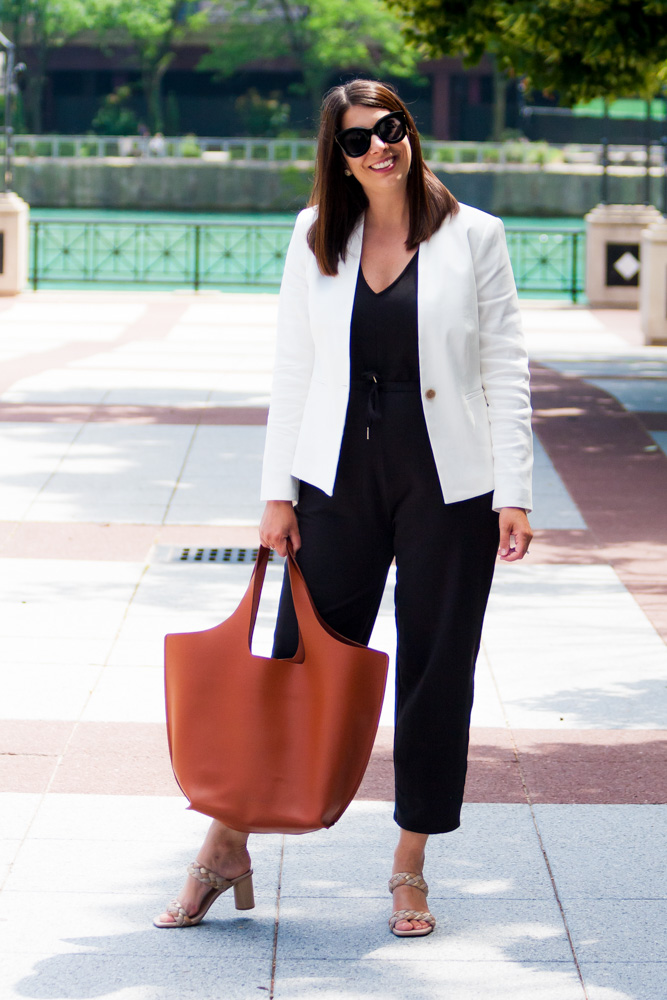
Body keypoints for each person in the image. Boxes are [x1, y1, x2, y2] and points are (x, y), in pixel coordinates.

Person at [154, 78, 533, 937]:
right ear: (338, 155)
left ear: (410, 132)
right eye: (357, 140)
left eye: (390, 129)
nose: (379, 148)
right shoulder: (314, 233)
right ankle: (226, 845)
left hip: (449, 481)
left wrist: (513, 492)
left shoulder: (475, 235)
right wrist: (275, 492)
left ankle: (408, 867)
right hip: (336, 476)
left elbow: (505, 366)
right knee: (297, 657)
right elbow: (293, 366)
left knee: (437, 671)